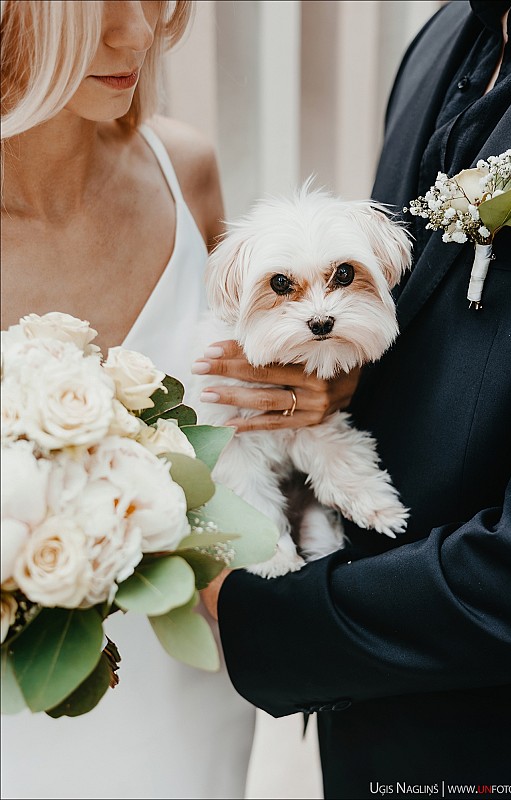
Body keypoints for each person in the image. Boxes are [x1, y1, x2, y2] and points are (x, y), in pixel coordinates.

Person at [0, 2, 359, 798]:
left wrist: (318, 382)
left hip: (187, 678)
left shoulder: (185, 168)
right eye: (93, 12)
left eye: (153, 2)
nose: (137, 36)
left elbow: (257, 384)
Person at [203, 1, 511, 797]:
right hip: (368, 727)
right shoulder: (439, 38)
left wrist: (267, 618)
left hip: (500, 732)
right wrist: (337, 369)